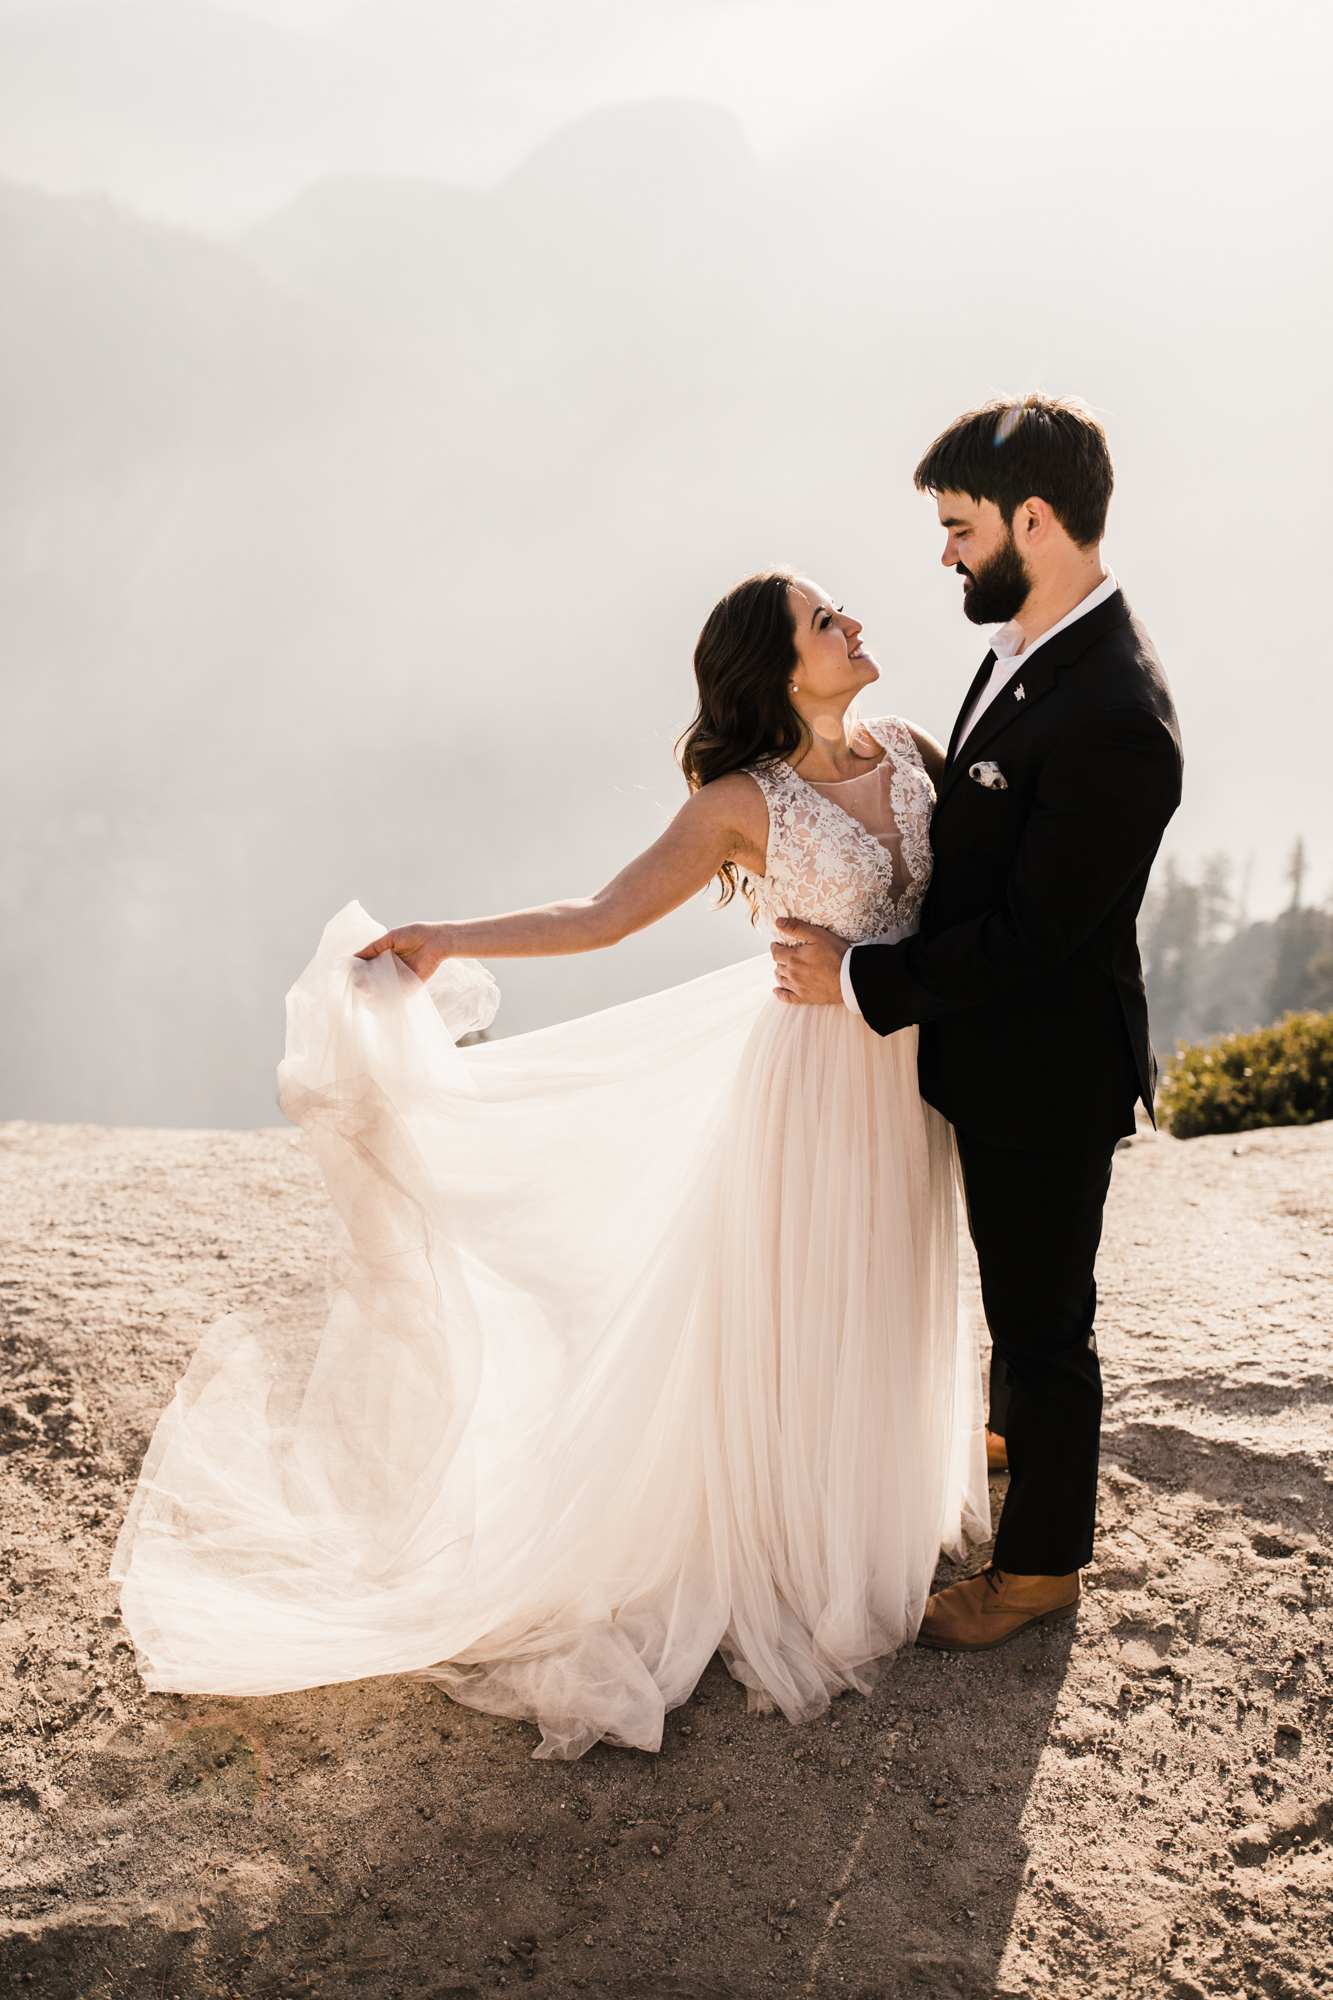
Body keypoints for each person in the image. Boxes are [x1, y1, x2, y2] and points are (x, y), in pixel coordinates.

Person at [112, 570, 989, 1760]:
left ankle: (877, 1503)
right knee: (815, 1297)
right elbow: (603, 911)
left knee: (894, 1278)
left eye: (841, 612)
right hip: (816, 1084)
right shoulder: (742, 801)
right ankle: (807, 1547)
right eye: (824, 622)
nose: (853, 625)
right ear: (780, 670)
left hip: (907, 1068)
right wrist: (444, 936)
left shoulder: (913, 747)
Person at [774, 395, 1182, 1650]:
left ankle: (1040, 1566)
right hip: (988, 1055)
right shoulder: (1024, 643)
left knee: (1045, 1321)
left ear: (1034, 520)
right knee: (1013, 1287)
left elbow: (1034, 937)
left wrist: (858, 981)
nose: (943, 554)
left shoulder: (1115, 710)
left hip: (1048, 1072)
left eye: (958, 527)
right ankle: (1011, 1442)